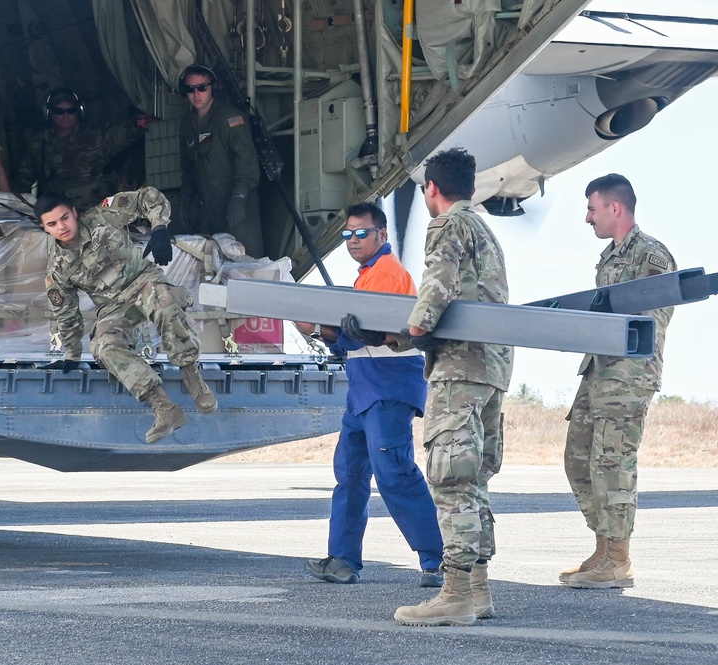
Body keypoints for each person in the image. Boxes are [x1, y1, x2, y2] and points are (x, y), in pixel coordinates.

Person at [342, 148, 512, 627]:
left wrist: (406, 331)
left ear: (431, 189)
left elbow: (435, 292)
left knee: (450, 475)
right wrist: (392, 336)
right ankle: (477, 591)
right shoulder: (485, 229)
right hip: (490, 368)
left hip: (458, 370)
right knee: (474, 479)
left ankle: (454, 594)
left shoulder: (446, 226)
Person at [297, 202, 444, 589]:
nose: (352, 241)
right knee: (350, 475)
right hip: (365, 390)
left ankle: (438, 559)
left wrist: (320, 328)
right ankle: (343, 559)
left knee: (394, 472)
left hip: (388, 388)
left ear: (382, 235)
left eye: (361, 233)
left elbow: (366, 333)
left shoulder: (387, 274)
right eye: (347, 234)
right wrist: (318, 331)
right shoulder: (367, 276)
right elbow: (355, 341)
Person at [559, 174, 676, 590]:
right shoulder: (609, 257)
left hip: (626, 378)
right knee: (578, 460)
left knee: (613, 464)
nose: (587, 217)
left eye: (592, 208)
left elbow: (654, 319)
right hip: (597, 371)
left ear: (615, 208)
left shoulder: (651, 255)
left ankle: (619, 558)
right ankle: (604, 545)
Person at [34, 187, 217, 444]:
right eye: (52, 224)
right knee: (104, 346)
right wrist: (72, 354)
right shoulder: (57, 268)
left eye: (64, 217)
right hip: (112, 307)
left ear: (74, 213)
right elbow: (66, 312)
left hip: (142, 281)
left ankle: (191, 374)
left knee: (165, 300)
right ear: (45, 229)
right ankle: (164, 408)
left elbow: (147, 197)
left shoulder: (104, 215)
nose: (61, 226)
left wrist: (159, 228)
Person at [16, 89, 155, 211]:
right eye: (59, 111)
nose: (65, 116)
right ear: (49, 114)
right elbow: (24, 179)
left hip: (93, 211)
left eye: (71, 111)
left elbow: (116, 137)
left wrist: (136, 125)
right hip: (58, 215)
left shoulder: (93, 137)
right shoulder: (39, 143)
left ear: (79, 112)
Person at [178, 64, 263, 257]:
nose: (196, 94)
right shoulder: (187, 125)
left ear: (212, 89)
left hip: (236, 205)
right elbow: (188, 167)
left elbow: (246, 161)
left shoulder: (230, 118)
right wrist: (186, 196)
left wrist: (239, 198)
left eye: (202, 87)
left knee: (245, 263)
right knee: (208, 265)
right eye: (190, 89)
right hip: (207, 208)